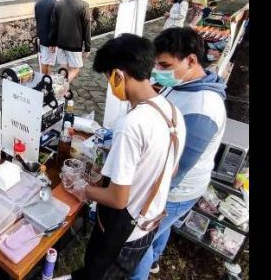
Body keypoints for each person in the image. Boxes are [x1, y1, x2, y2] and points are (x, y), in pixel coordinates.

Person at [55, 34, 185, 280]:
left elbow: (117, 199)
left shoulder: (131, 124)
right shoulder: (172, 112)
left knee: (96, 275)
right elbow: (172, 169)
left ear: (118, 75)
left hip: (123, 232)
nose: (110, 86)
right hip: (148, 223)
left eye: (108, 78)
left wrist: (83, 188)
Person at [130, 28, 227, 279]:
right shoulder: (184, 83)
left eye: (165, 65)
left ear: (191, 60)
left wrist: (142, 195)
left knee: (140, 242)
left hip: (175, 191)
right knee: (160, 230)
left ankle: (140, 270)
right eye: (157, 64)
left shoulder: (203, 108)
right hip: (173, 187)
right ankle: (155, 261)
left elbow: (177, 169)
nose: (158, 71)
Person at [48, 0, 91, 83]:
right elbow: (87, 27)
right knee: (75, 69)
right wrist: (88, 48)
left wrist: (52, 43)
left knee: (64, 67)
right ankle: (61, 89)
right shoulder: (83, 5)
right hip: (74, 44)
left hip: (60, 43)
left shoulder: (58, 4)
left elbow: (53, 25)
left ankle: (60, 88)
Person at [35, 0, 64, 74]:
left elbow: (39, 21)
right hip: (50, 40)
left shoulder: (39, 2)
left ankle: (48, 80)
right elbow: (54, 25)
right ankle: (44, 82)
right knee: (46, 63)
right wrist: (53, 42)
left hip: (41, 37)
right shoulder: (55, 4)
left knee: (45, 62)